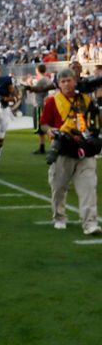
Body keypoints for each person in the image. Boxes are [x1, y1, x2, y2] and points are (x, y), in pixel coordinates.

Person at [40, 68, 102, 235]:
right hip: (63, 150)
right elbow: (44, 123)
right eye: (63, 81)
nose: (67, 84)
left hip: (85, 149)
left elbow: (95, 123)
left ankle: (90, 222)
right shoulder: (52, 101)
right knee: (59, 187)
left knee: (89, 187)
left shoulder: (87, 100)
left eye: (69, 80)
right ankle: (59, 216)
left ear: (75, 81)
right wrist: (50, 130)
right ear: (59, 84)